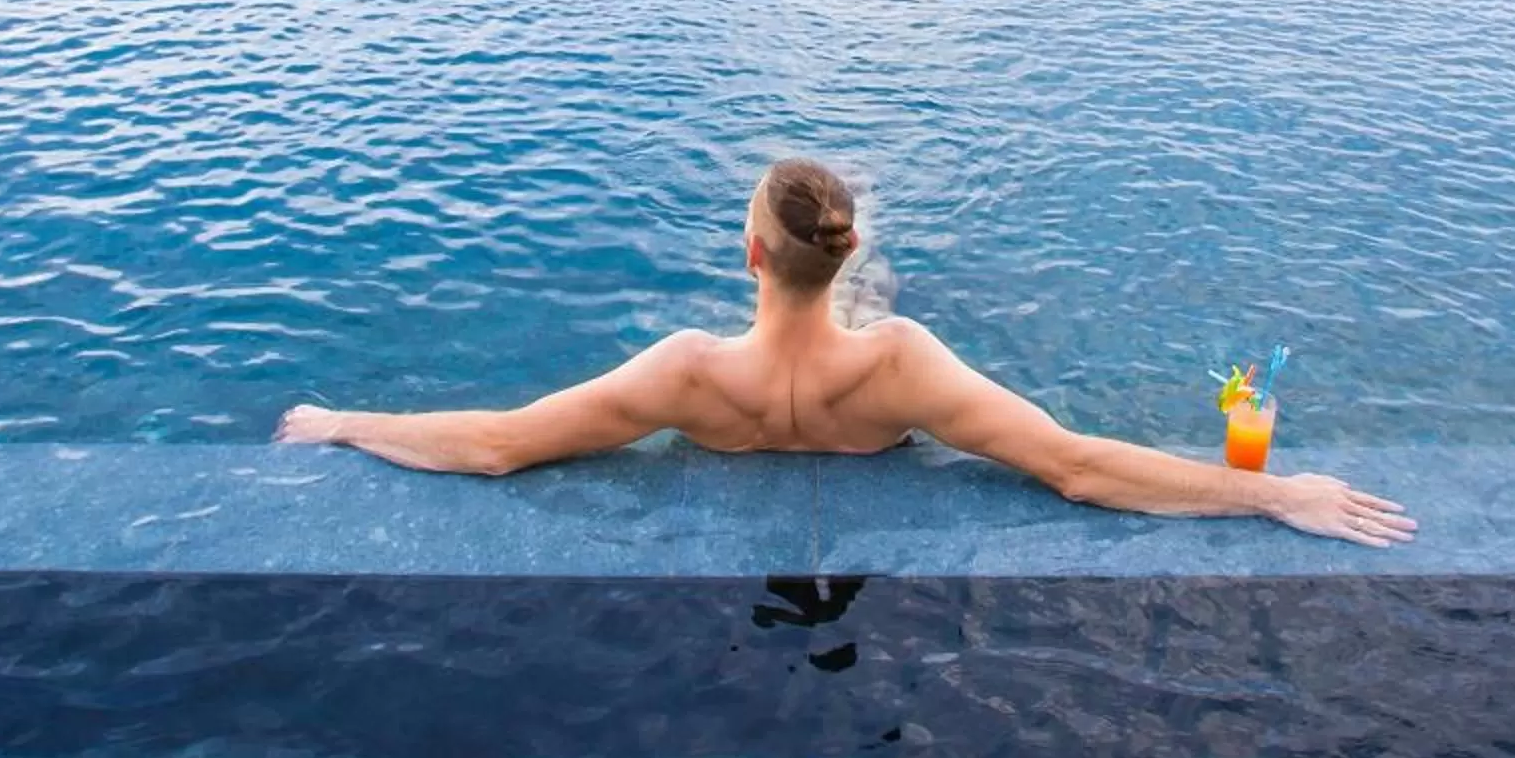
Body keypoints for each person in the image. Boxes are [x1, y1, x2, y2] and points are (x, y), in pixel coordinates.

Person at [274, 158, 1419, 548]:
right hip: (869, 508)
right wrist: (1268, 497)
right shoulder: (902, 366)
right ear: (837, 254)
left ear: (749, 255)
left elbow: (494, 447)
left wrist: (344, 423)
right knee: (885, 319)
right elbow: (1076, 466)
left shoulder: (684, 373)